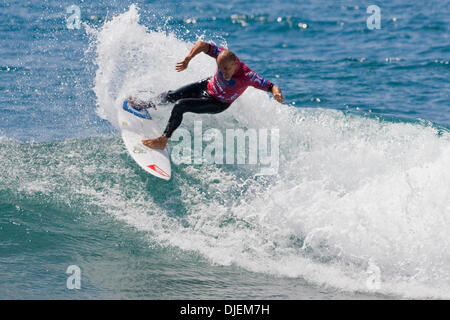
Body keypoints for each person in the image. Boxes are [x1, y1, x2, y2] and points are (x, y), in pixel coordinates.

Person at [128, 40, 285, 150]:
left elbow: (271, 85)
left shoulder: (247, 75)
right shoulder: (221, 55)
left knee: (180, 106)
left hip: (218, 102)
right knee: (172, 94)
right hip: (207, 86)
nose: (224, 73)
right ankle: (145, 104)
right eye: (221, 69)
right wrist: (188, 58)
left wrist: (276, 93)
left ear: (235, 64)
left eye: (227, 69)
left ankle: (163, 140)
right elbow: (203, 45)